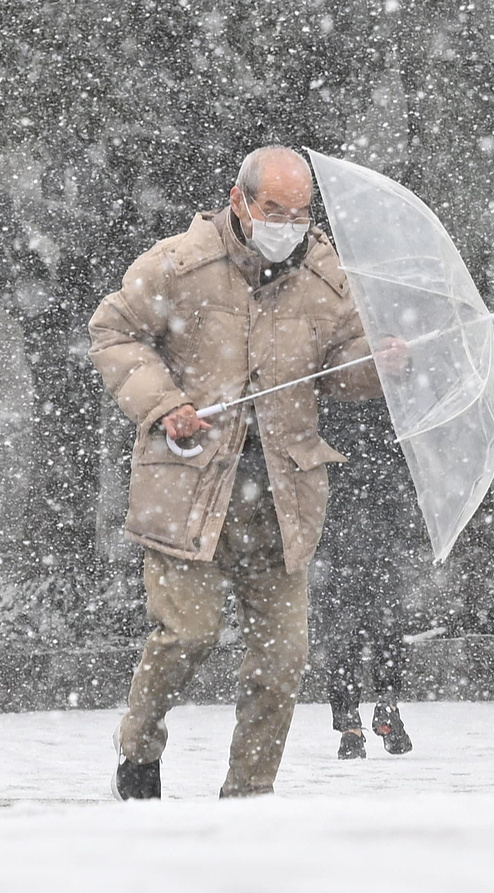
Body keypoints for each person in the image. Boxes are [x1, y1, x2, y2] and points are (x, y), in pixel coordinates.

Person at [88, 145, 407, 799]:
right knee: (187, 635)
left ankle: (249, 796)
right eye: (274, 210)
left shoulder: (325, 275)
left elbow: (342, 368)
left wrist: (378, 362)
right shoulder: (181, 263)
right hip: (188, 487)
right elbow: (113, 331)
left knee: (282, 658)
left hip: (283, 494)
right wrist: (165, 404)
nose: (289, 223)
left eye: (301, 212)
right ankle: (138, 749)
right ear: (240, 201)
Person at [313, 397, 419, 758]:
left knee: (343, 629)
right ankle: (386, 704)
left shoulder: (331, 393)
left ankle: (350, 724)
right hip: (376, 523)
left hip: (339, 524)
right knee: (384, 621)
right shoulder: (396, 404)